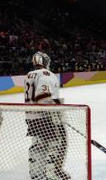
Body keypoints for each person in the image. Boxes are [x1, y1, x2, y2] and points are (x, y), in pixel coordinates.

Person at [24, 51, 70, 180]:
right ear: (45, 62)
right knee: (57, 143)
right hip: (47, 116)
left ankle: (36, 174)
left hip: (31, 116)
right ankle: (52, 174)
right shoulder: (47, 74)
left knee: (39, 144)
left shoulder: (29, 74)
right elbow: (43, 97)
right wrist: (56, 109)